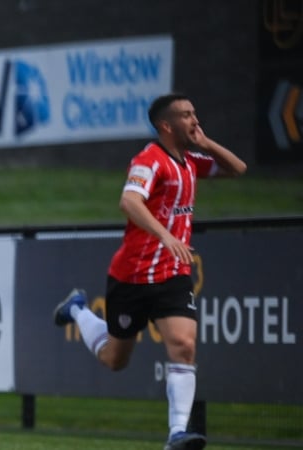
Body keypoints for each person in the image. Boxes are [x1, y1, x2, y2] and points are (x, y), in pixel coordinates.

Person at [52, 93, 247, 450]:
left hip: (173, 273)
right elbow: (129, 201)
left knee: (184, 345)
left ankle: (176, 434)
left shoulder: (191, 162)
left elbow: (238, 169)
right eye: (186, 115)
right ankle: (77, 309)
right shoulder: (149, 159)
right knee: (115, 359)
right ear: (166, 126)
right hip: (132, 275)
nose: (194, 120)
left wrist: (206, 144)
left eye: (195, 113)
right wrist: (166, 235)